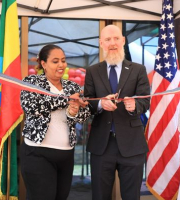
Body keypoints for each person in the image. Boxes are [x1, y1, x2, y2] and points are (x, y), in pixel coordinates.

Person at [84, 24, 150, 200]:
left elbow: (145, 100)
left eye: (115, 39)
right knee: (100, 195)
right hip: (101, 145)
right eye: (107, 39)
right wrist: (100, 104)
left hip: (132, 144)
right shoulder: (92, 72)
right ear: (101, 43)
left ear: (123, 40)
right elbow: (88, 101)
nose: (112, 43)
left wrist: (135, 106)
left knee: (131, 196)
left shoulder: (138, 69)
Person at [20, 44, 91, 200]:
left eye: (63, 61)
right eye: (55, 61)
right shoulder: (32, 82)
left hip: (66, 155)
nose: (61, 65)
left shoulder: (72, 86)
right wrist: (66, 101)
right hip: (37, 154)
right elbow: (32, 106)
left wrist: (74, 112)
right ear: (44, 64)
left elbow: (84, 114)